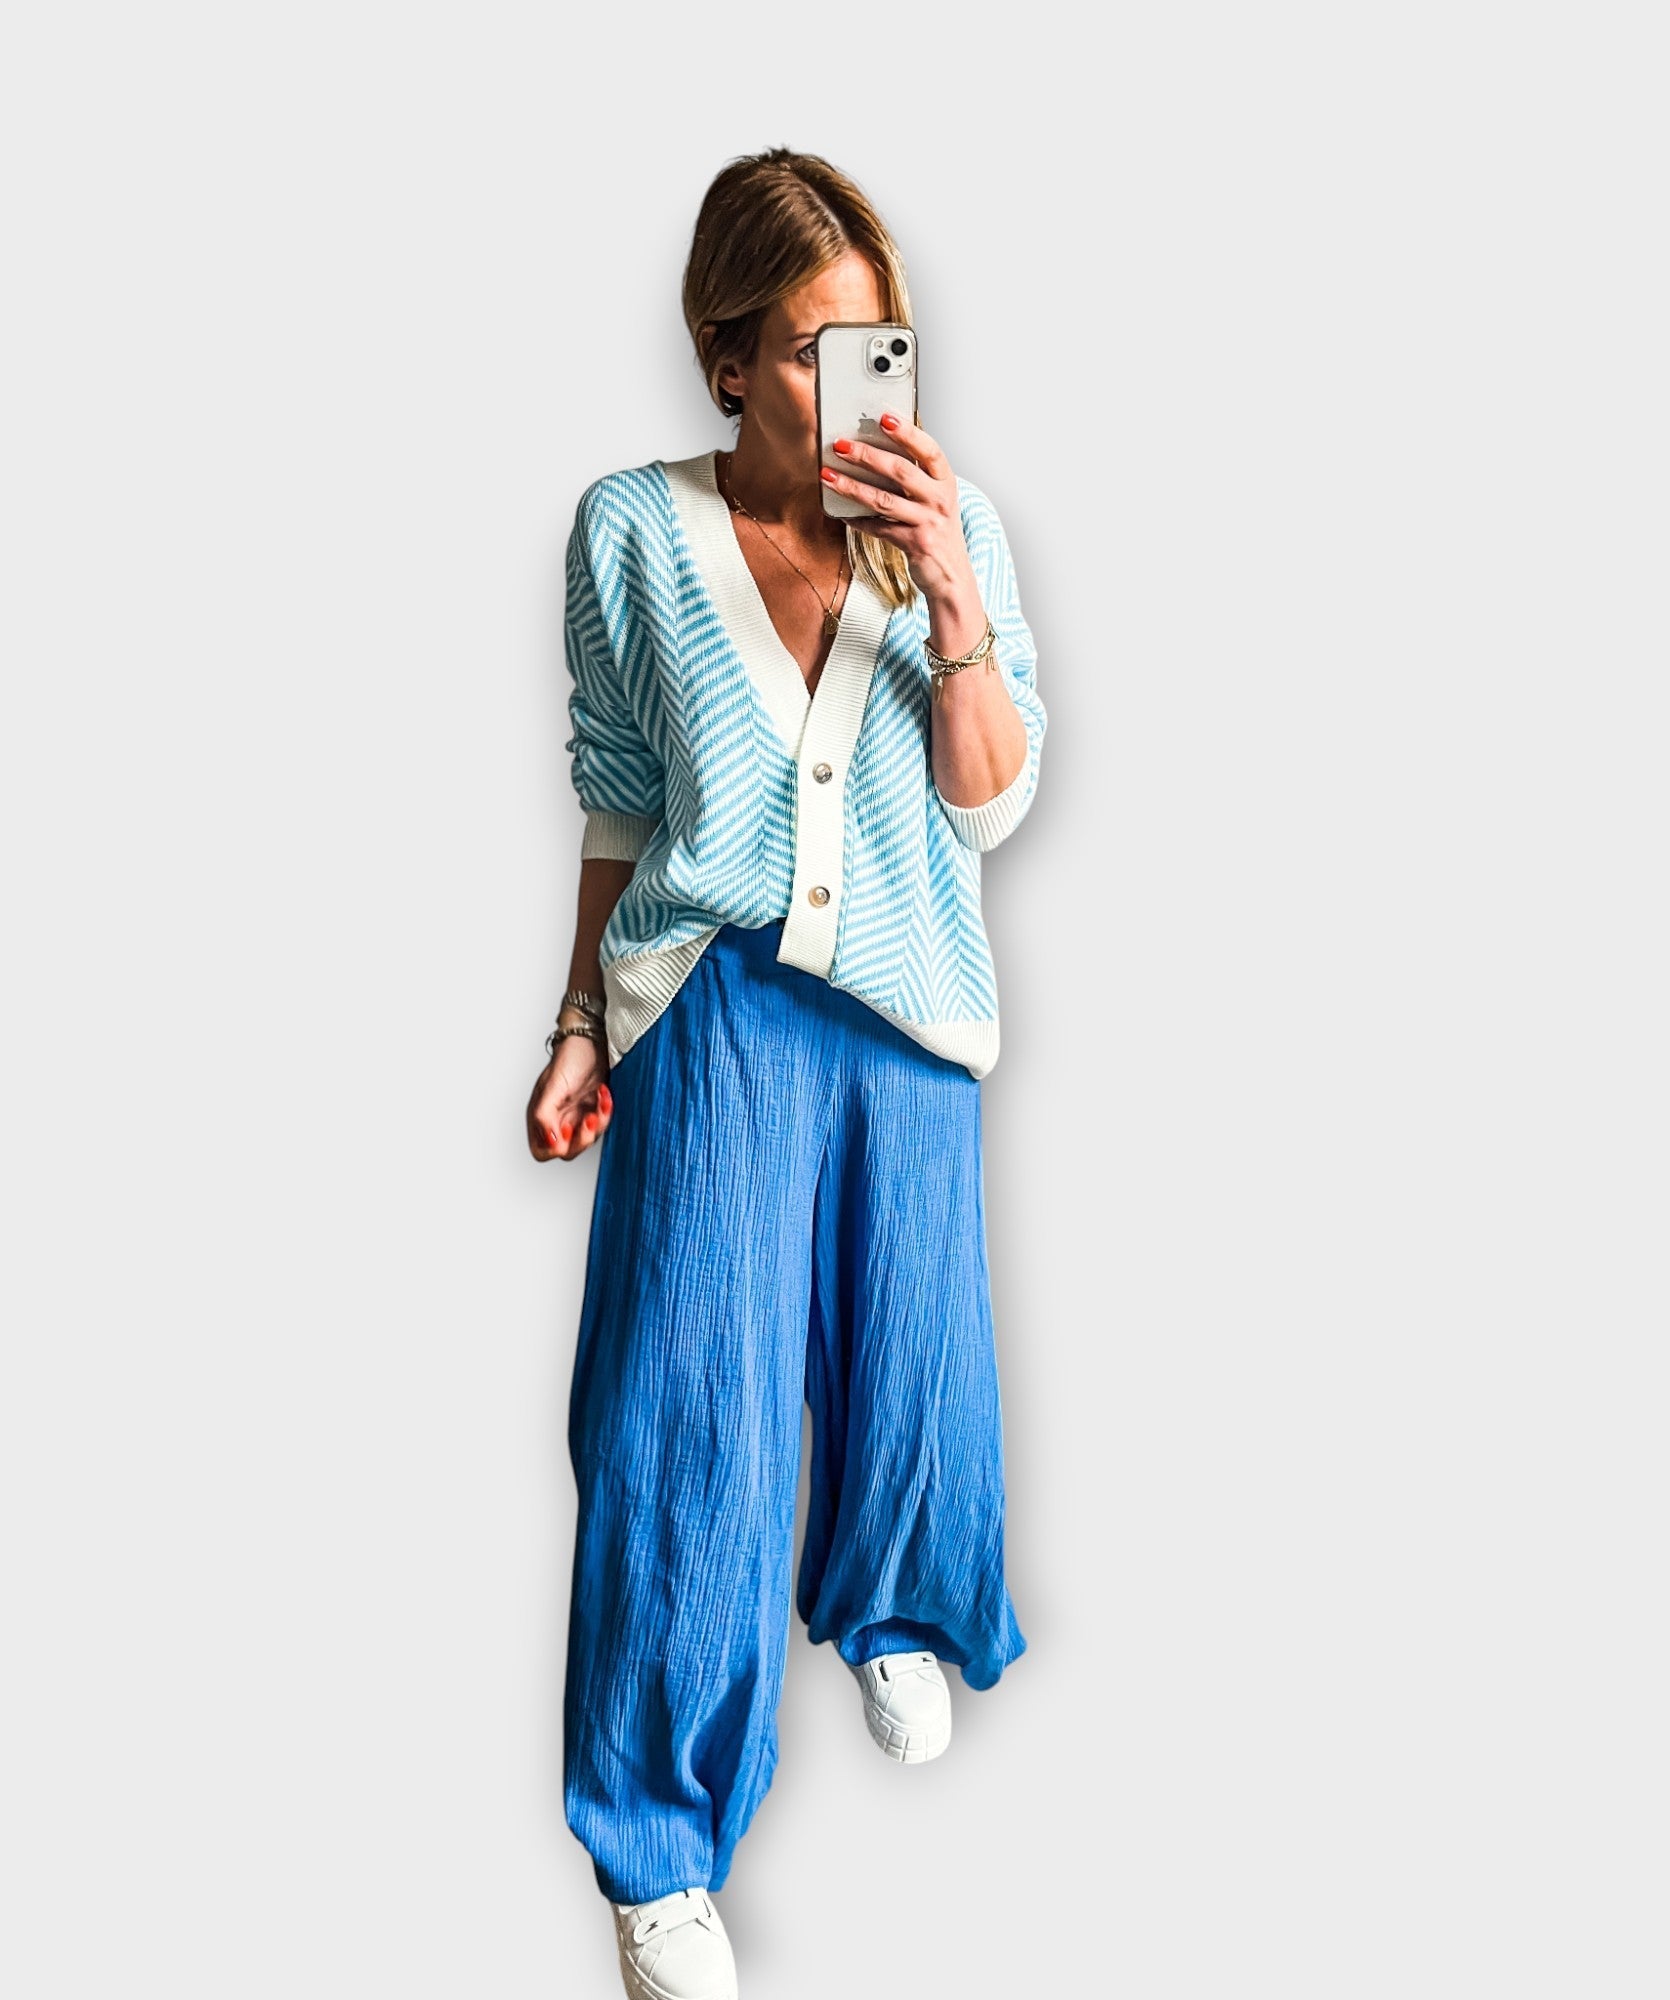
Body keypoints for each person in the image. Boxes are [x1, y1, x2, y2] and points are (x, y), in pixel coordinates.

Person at [524, 148, 1047, 2000]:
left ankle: (890, 1606)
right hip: (715, 1003)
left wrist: (955, 607)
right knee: (692, 1423)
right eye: (816, 349)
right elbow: (617, 797)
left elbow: (992, 806)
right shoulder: (628, 531)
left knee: (919, 1366)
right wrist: (576, 1023)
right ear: (728, 357)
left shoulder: (945, 529)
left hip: (910, 1003)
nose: (854, 386)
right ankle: (658, 1846)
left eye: (878, 343)